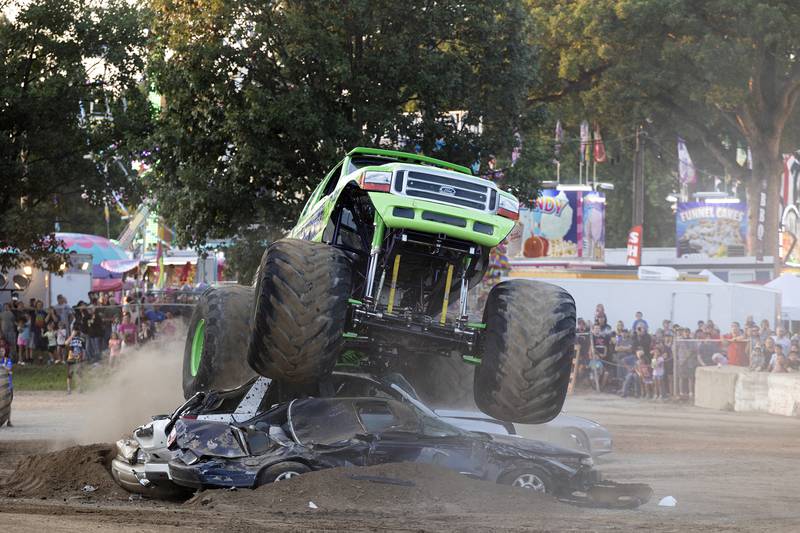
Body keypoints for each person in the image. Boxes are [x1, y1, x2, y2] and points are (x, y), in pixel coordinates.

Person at [65, 327, 86, 394]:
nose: (75, 332)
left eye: (76, 331)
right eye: (74, 331)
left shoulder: (82, 339)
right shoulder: (71, 339)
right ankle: (69, 389)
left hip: (79, 358)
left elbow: (84, 349)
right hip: (71, 358)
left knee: (79, 373)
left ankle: (80, 388)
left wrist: (83, 358)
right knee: (69, 374)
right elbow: (66, 343)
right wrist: (72, 336)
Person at [0, 347, 12, 426]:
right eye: (0, 351)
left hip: (8, 384)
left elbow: (9, 369)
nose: (1, 352)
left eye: (2, 351)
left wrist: (3, 367)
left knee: (8, 403)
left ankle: (9, 420)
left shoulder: (7, 360)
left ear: (5, 352)